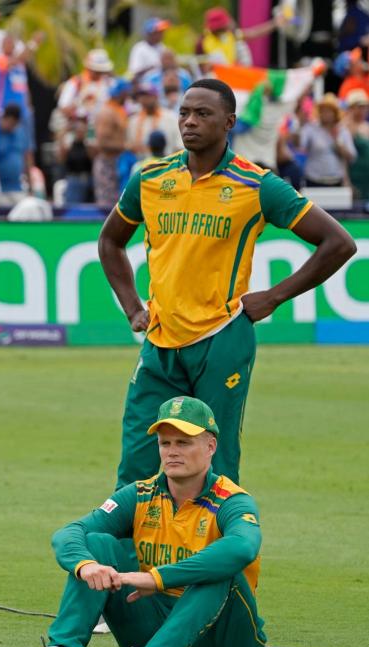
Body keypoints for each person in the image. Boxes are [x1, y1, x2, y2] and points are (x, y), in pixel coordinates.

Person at [98, 79, 356, 487]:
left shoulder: (256, 185)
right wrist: (132, 306)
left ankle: (221, 550)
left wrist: (274, 296)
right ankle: (127, 553)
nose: (189, 122)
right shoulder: (149, 179)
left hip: (222, 338)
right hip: (161, 338)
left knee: (216, 465)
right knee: (137, 463)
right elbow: (110, 241)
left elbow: (339, 243)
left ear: (230, 122)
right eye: (184, 112)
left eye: (203, 114)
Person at [7, 397, 266, 647]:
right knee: (95, 545)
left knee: (222, 565)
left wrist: (157, 579)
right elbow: (70, 533)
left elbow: (242, 548)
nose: (172, 451)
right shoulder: (140, 494)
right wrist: (85, 565)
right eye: (165, 442)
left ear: (210, 446)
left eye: (184, 442)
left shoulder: (232, 500)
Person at [300, 94, 357, 188]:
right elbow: (300, 145)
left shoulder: (342, 131)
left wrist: (337, 142)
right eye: (323, 111)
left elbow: (352, 157)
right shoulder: (311, 128)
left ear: (335, 113)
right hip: (313, 180)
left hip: (336, 181)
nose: (325, 114)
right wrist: (300, 124)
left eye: (329, 111)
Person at [92, 79, 130, 209]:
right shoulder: (107, 112)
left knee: (120, 203)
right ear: (122, 93)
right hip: (107, 163)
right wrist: (127, 146)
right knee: (108, 206)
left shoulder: (118, 110)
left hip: (118, 162)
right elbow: (102, 143)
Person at [0, 103, 33, 205]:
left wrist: (31, 185)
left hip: (18, 187)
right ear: (4, 118)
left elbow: (27, 157)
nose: (13, 127)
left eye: (15, 124)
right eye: (11, 123)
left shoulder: (21, 132)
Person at [126, 83, 180, 159]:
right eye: (141, 96)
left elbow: (179, 146)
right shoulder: (133, 121)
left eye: (147, 95)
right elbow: (129, 145)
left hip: (167, 164)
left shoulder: (171, 117)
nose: (143, 99)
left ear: (156, 96)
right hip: (141, 166)